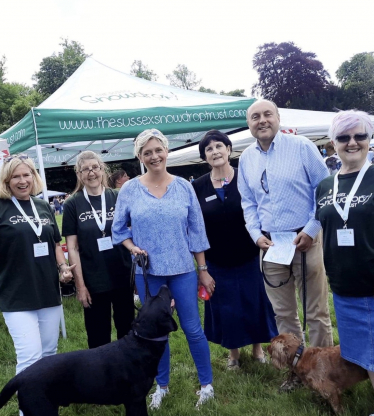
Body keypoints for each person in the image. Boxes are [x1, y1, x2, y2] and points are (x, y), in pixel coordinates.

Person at [112, 129, 214, 410]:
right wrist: (133, 248)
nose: (154, 156)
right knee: (155, 333)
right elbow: (118, 230)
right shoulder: (130, 189)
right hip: (149, 273)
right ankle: (162, 385)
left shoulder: (184, 186)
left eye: (158, 150)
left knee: (193, 329)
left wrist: (202, 269)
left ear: (166, 151)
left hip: (182, 269)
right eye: (147, 152)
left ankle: (207, 385)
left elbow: (197, 230)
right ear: (140, 156)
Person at [237, 100, 333, 389]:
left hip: (305, 239)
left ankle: (324, 372)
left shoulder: (302, 146)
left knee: (315, 311)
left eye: (267, 114)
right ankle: (297, 373)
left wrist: (312, 227)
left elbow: (325, 190)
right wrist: (255, 234)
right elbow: (248, 203)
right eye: (255, 117)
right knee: (284, 314)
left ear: (278, 118)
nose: (262, 120)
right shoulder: (246, 159)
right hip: (271, 245)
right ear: (249, 123)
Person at [192, 129, 278, 370]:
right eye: (209, 149)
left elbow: (263, 211)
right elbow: (195, 227)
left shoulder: (246, 178)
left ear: (229, 150)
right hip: (217, 261)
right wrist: (202, 268)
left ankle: (258, 349)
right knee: (227, 308)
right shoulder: (197, 187)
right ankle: (233, 355)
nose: (215, 151)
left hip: (248, 256)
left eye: (219, 146)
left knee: (254, 303)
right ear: (204, 157)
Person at [315, 110, 374, 412]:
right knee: (363, 353)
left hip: (372, 282)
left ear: (369, 139)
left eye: (359, 136)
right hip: (343, 285)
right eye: (344, 137)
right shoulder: (326, 186)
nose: (352, 142)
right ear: (333, 143)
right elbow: (324, 222)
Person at [0, 155, 75, 378]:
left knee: (49, 354)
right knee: (30, 358)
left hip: (48, 291)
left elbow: (55, 243)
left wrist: (62, 268)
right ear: (6, 180)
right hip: (16, 295)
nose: (23, 181)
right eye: (16, 176)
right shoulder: (2, 207)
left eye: (27, 174)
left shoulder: (43, 206)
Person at [62, 151, 134, 349]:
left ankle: (125, 375)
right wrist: (80, 285)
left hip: (122, 275)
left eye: (95, 167)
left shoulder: (117, 197)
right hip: (93, 280)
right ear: (79, 174)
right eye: (85, 169)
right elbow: (72, 248)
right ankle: (100, 377)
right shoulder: (72, 204)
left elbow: (131, 234)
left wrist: (136, 275)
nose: (91, 173)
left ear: (103, 170)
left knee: (127, 331)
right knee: (97, 336)